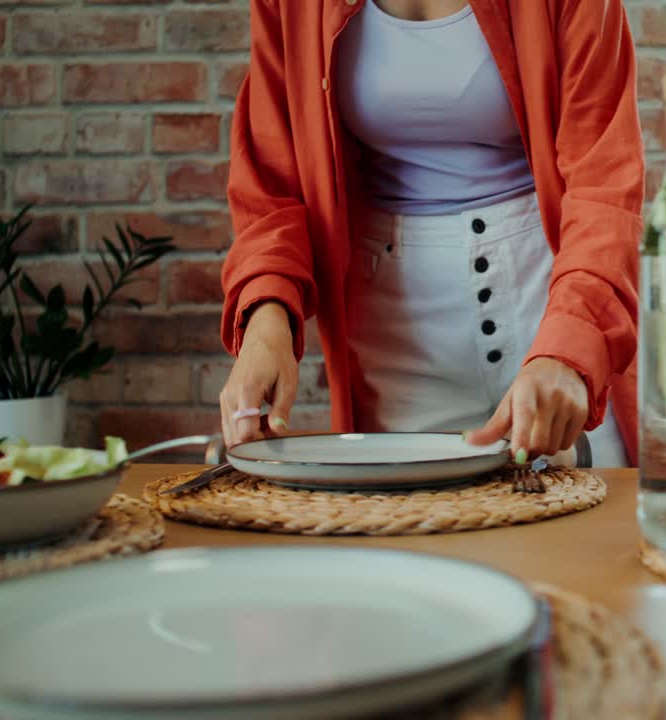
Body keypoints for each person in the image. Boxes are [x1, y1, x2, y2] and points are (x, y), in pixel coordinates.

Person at [218, 0, 644, 467]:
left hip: (552, 288)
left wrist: (571, 347)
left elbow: (604, 183)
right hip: (396, 326)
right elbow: (272, 178)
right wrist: (265, 321)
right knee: (414, 529)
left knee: (588, 520)